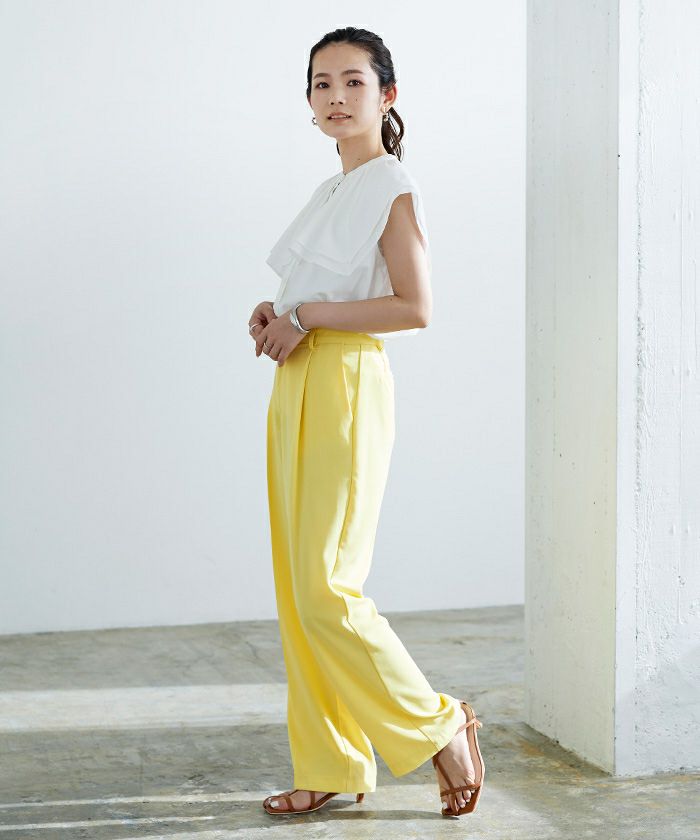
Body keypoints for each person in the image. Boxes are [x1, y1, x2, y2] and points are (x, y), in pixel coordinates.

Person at [248, 26, 485, 818]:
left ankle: (439, 724)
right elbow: (321, 290)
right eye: (322, 84)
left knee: (326, 586)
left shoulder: (390, 185)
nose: (336, 97)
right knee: (297, 589)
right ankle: (331, 762)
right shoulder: (333, 191)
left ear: (387, 96)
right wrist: (277, 311)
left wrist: (307, 314)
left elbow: (415, 307)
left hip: (346, 383)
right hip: (298, 381)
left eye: (353, 81)